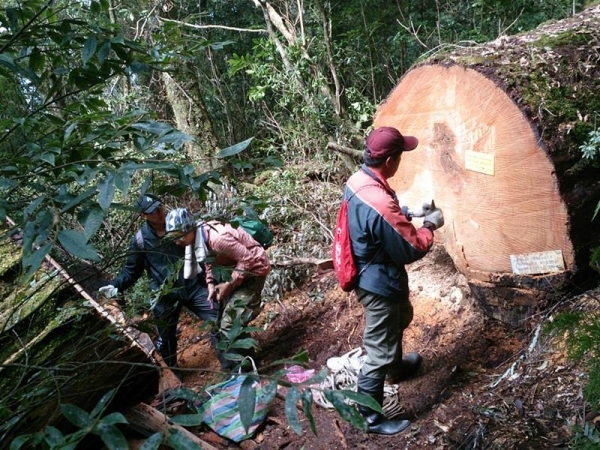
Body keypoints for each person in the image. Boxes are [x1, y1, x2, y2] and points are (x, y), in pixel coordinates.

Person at [343, 126, 444, 435]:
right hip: (377, 281)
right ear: (389, 161)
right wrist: (429, 224)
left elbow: (377, 215)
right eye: (400, 155)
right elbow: (410, 248)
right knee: (377, 351)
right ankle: (370, 417)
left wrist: (408, 212)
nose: (401, 161)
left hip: (375, 271)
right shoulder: (378, 200)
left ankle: (395, 368)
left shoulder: (359, 180)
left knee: (402, 316)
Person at [98, 194, 218, 379]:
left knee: (217, 316)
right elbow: (131, 271)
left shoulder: (179, 222)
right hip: (164, 295)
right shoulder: (140, 241)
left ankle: (234, 358)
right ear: (143, 215)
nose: (158, 213)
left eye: (159, 207)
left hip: (193, 286)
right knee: (167, 340)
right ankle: (174, 379)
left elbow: (202, 245)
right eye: (152, 211)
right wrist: (115, 287)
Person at [163, 207, 271, 370]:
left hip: (253, 271)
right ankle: (240, 365)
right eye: (173, 237)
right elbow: (208, 262)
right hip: (234, 272)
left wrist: (229, 285)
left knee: (230, 323)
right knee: (220, 323)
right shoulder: (199, 238)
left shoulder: (218, 238)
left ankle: (249, 370)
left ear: (189, 228)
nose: (177, 241)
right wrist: (211, 284)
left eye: (179, 236)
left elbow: (248, 260)